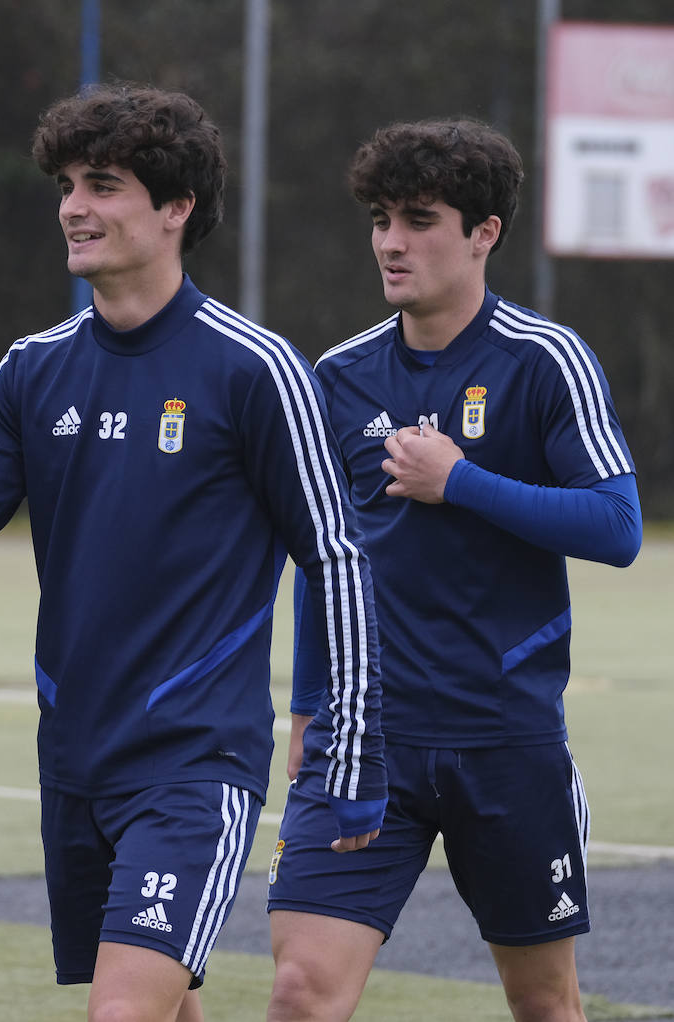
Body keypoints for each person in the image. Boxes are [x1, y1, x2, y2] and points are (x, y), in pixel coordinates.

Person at [0, 82, 385, 1022]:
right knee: (162, 1008)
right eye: (66, 185)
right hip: (74, 757)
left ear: (176, 210)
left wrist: (350, 738)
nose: (74, 208)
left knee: (122, 1011)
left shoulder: (254, 369)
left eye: (103, 185)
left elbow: (335, 559)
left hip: (196, 761)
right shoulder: (33, 369)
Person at [265, 118, 642, 1022]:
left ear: (484, 233)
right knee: (300, 992)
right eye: (381, 218)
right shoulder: (338, 377)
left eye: (420, 219)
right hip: (366, 740)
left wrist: (460, 481)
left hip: (505, 742)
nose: (392, 242)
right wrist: (310, 706)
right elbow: (325, 555)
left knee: (545, 1006)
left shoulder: (545, 362)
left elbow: (617, 526)